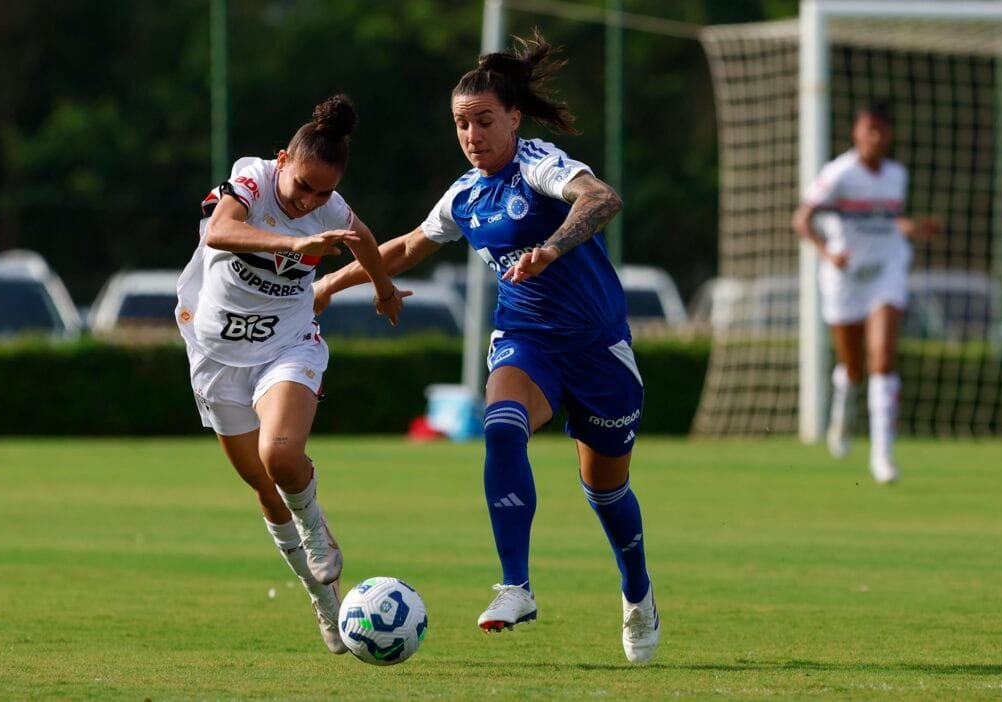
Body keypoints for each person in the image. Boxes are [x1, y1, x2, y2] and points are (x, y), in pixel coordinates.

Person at [314, 31, 660, 664]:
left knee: (607, 491)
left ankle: (637, 593)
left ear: (513, 119)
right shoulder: (465, 196)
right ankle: (516, 586)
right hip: (526, 342)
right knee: (501, 427)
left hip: (597, 349)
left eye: (483, 121)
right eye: (461, 125)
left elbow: (602, 198)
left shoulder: (539, 164)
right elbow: (408, 248)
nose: (471, 135)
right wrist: (333, 283)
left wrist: (553, 247)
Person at [174, 95, 408, 654]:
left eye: (323, 193)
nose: (309, 202)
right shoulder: (250, 181)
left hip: (288, 345)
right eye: (303, 186)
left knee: (280, 457)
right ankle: (323, 599)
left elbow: (365, 240)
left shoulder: (330, 209)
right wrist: (293, 243)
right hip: (214, 353)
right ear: (283, 160)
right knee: (261, 483)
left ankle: (316, 525)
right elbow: (220, 233)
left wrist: (381, 288)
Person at [792, 100, 939, 484]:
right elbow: (801, 220)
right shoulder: (838, 173)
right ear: (856, 133)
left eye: (880, 130)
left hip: (887, 271)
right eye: (866, 130)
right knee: (854, 367)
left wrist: (911, 228)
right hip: (845, 277)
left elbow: (886, 221)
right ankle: (844, 399)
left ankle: (882, 456)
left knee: (883, 360)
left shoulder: (896, 175)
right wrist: (829, 254)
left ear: (889, 135)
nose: (873, 137)